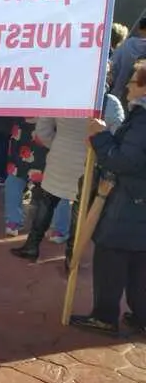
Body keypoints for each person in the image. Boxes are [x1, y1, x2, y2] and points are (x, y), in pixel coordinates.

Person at [71, 62, 146, 334]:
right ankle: (141, 316)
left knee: (111, 258)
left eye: (134, 82)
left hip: (130, 203)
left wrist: (100, 137)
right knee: (139, 263)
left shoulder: (142, 120)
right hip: (138, 204)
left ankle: (104, 316)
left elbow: (125, 161)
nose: (127, 85)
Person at [11, 98, 124, 262]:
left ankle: (32, 245)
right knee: (80, 209)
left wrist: (57, 144)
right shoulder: (110, 103)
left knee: (46, 201)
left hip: (60, 156)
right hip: (90, 160)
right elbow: (118, 136)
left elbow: (42, 130)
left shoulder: (64, 96)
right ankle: (72, 256)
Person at [110, 15, 146, 107]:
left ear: (140, 30)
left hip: (115, 91)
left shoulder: (127, 45)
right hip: (138, 97)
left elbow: (113, 65)